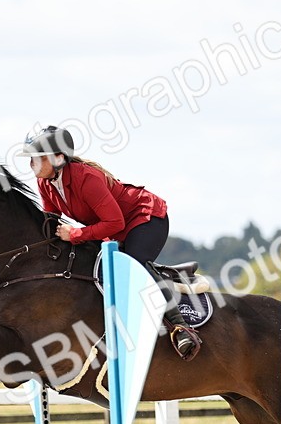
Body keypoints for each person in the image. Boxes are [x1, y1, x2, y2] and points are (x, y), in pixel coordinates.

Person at [20, 125, 202, 361]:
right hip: (111, 228)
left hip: (144, 218)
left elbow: (114, 222)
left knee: (132, 266)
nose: (31, 164)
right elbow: (52, 222)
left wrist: (76, 234)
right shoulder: (45, 183)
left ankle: (181, 329)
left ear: (58, 158)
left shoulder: (87, 178)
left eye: (37, 158)